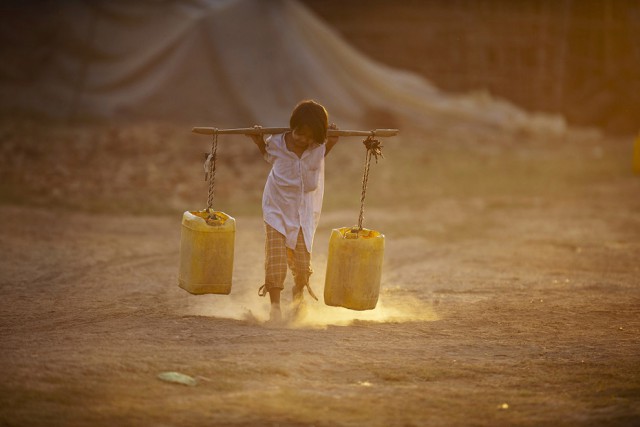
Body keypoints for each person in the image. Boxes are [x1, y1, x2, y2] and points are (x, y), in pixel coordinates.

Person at [246, 100, 339, 323]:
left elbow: (323, 151)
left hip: (303, 212)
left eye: (309, 137)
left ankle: (298, 301)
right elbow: (268, 156)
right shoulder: (276, 142)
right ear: (292, 127)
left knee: (301, 263)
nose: (303, 140)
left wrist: (333, 140)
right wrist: (258, 139)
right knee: (276, 257)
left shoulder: (318, 147)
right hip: (276, 207)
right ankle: (275, 309)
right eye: (299, 134)